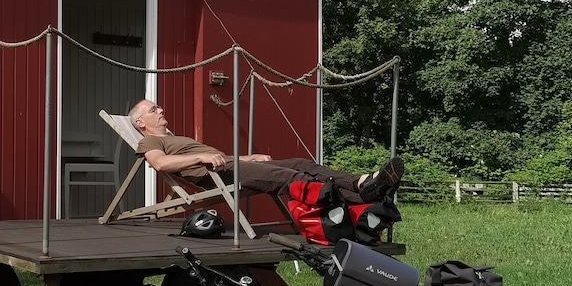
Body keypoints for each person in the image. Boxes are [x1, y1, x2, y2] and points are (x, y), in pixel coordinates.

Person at [128, 99, 402, 205]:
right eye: (154, 110)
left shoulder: (175, 139)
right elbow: (161, 164)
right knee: (287, 176)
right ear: (141, 123)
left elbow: (224, 158)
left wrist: (249, 157)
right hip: (221, 177)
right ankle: (362, 200)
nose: (161, 110)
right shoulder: (150, 143)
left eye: (160, 107)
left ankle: (361, 182)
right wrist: (200, 156)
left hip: (233, 166)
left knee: (299, 162)